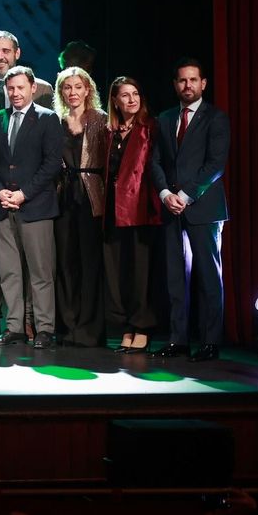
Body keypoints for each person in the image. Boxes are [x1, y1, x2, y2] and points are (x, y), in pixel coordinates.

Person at [148, 58, 231, 361]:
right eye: (182, 81)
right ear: (175, 85)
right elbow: (155, 161)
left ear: (203, 84)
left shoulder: (216, 118)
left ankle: (210, 342)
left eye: (193, 80)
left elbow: (215, 165)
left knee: (209, 277)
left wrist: (184, 194)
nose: (187, 85)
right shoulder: (166, 118)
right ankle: (178, 339)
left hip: (204, 208)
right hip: (171, 208)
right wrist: (166, 193)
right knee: (175, 278)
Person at [0, 65, 64, 348]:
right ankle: (14, 327)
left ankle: (44, 328)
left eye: (21, 87)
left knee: (41, 272)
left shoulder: (47, 119)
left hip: (36, 208)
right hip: (3, 208)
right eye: (11, 88)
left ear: (33, 88)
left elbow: (52, 164)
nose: (16, 93)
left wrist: (23, 194)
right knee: (9, 272)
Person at [103, 76, 161, 353]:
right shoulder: (110, 131)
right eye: (125, 95)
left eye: (135, 93)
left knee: (140, 271)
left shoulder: (150, 128)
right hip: (113, 211)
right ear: (115, 100)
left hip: (140, 210)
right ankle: (126, 326)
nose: (131, 100)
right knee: (119, 272)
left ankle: (142, 327)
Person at [53, 66, 108, 348]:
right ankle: (67, 326)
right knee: (65, 263)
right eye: (67, 87)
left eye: (77, 87)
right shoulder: (56, 121)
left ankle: (89, 330)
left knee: (90, 263)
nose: (72, 92)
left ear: (88, 89)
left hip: (91, 197)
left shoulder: (101, 120)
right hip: (64, 197)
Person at [0, 31, 55, 119]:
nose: (0, 57)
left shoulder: (43, 89)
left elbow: (49, 130)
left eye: (6, 51)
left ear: (17, 53)